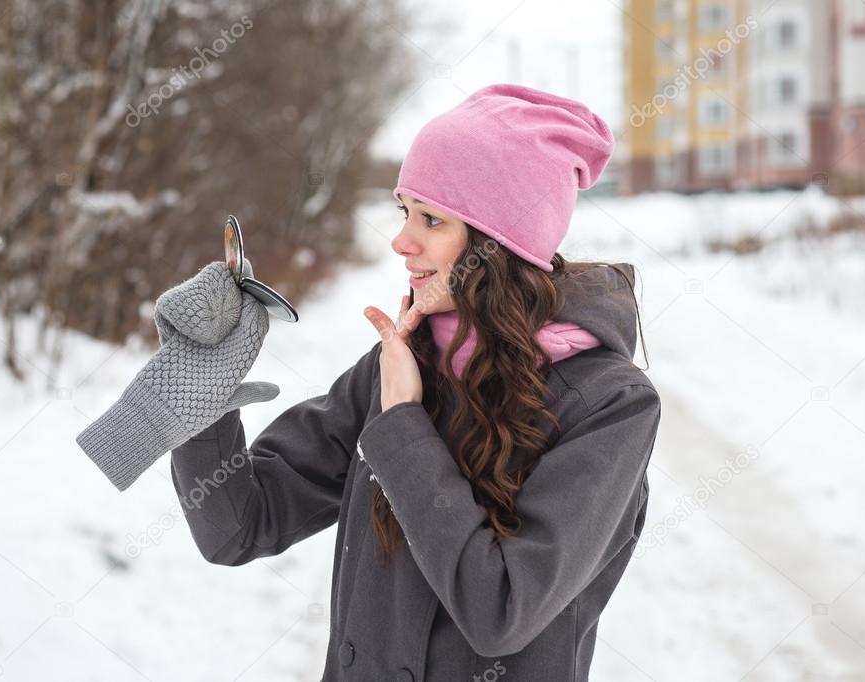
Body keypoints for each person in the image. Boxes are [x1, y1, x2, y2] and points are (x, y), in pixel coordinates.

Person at [78, 83, 661, 681]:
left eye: (431, 219)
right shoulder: (403, 362)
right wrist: (203, 396)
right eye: (404, 210)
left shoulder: (611, 407)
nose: (402, 241)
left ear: (500, 243)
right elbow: (239, 526)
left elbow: (502, 609)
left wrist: (404, 424)